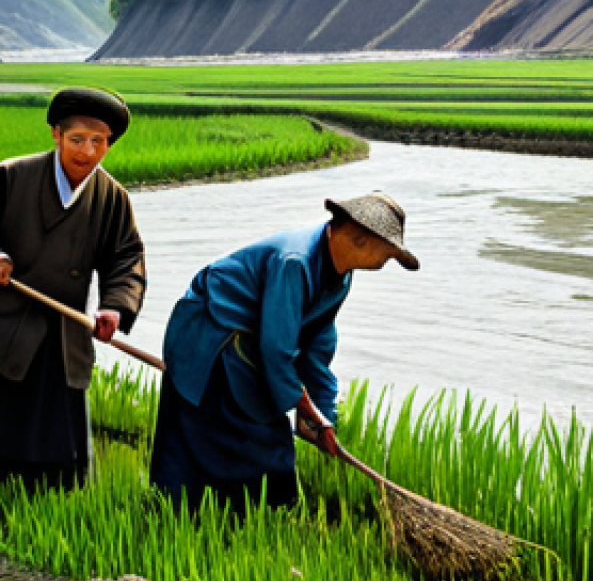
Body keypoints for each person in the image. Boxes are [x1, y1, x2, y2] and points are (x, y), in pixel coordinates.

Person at [149, 191, 419, 511]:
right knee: (213, 436)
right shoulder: (295, 262)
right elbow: (277, 349)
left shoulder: (340, 276)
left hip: (252, 343)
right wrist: (299, 404)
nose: (385, 263)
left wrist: (322, 415)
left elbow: (318, 347)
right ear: (361, 240)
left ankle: (252, 521)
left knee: (266, 448)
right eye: (385, 255)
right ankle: (176, 519)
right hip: (211, 336)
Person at [0, 87, 147, 490]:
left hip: (66, 334)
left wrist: (115, 307)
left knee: (62, 459)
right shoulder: (12, 176)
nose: (86, 152)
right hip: (7, 328)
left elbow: (126, 259)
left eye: (98, 142)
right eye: (77, 140)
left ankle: (55, 508)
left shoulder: (112, 198)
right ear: (56, 136)